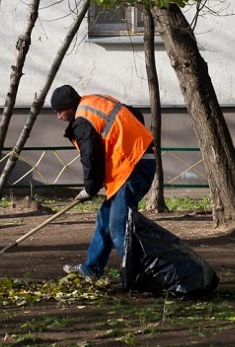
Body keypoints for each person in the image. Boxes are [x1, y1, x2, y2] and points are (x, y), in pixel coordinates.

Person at [50, 85, 156, 277]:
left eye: (60, 111)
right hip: (134, 164)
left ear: (70, 106)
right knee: (105, 218)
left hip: (133, 167)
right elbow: (135, 114)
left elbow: (90, 157)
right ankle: (91, 268)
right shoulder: (95, 101)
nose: (58, 117)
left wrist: (89, 189)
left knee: (118, 226)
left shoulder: (82, 120)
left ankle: (138, 277)